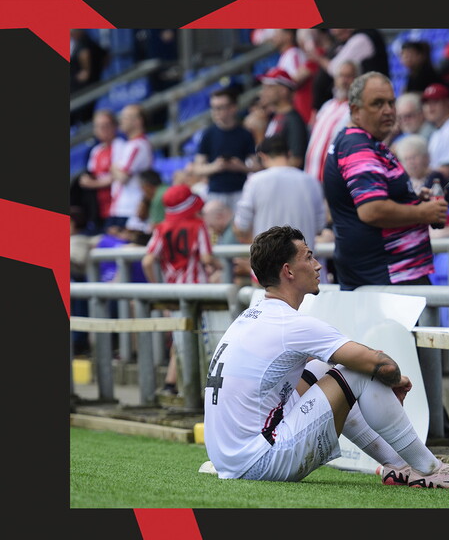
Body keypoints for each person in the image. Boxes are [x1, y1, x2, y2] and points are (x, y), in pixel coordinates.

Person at [202, 225, 449, 488]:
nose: (317, 266)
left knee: (322, 367)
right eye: (309, 257)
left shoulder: (248, 317)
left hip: (231, 461)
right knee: (359, 373)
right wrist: (397, 379)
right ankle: (429, 469)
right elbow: (379, 364)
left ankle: (397, 465)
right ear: (288, 271)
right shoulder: (291, 323)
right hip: (259, 462)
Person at [324, 72, 449, 447]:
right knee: (403, 361)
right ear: (355, 109)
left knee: (401, 360)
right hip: (388, 275)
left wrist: (411, 200)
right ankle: (430, 437)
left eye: (391, 102)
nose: (389, 111)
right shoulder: (358, 144)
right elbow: (371, 210)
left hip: (386, 273)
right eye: (377, 104)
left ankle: (433, 433)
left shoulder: (368, 143)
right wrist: (426, 213)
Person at [142, 184, 220, 396]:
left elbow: (148, 261)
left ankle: (171, 385)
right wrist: (221, 266)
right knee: (200, 339)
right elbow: (206, 258)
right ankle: (198, 391)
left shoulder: (162, 228)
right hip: (198, 292)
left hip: (173, 292)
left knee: (180, 338)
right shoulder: (198, 225)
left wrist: (158, 289)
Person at [233, 135, 327, 248]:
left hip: (269, 260)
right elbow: (319, 226)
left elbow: (242, 225)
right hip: (304, 259)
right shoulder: (311, 182)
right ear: (289, 154)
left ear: (262, 156)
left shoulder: (255, 181)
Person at [192, 87, 258, 212]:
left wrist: (240, 167)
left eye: (220, 107)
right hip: (216, 193)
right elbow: (197, 168)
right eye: (214, 107)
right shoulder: (208, 134)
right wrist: (216, 166)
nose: (216, 112)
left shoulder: (245, 134)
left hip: (240, 191)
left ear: (233, 108)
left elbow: (257, 166)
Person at [304, 59, 359, 184]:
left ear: (357, 80)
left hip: (333, 182)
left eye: (349, 76)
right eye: (341, 76)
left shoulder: (357, 110)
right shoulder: (327, 106)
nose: (344, 81)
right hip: (311, 176)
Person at [108, 104, 153, 233]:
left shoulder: (138, 145)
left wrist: (113, 168)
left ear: (138, 121)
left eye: (125, 117)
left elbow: (123, 176)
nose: (121, 121)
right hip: (121, 206)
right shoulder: (128, 144)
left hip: (130, 207)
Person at [77, 109, 122, 234]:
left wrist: (92, 184)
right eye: (98, 126)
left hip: (116, 207)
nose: (102, 129)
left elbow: (118, 176)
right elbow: (92, 175)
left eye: (106, 126)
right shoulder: (95, 151)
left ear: (114, 127)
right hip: (98, 207)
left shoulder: (120, 146)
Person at [257, 67, 309, 169]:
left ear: (283, 91)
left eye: (269, 87)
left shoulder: (293, 120)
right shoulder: (274, 117)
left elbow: (296, 160)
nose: (263, 92)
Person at [271, 29, 318, 126]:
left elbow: (293, 82)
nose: (273, 37)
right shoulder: (286, 55)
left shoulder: (294, 54)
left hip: (302, 108)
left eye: (277, 34)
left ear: (288, 36)